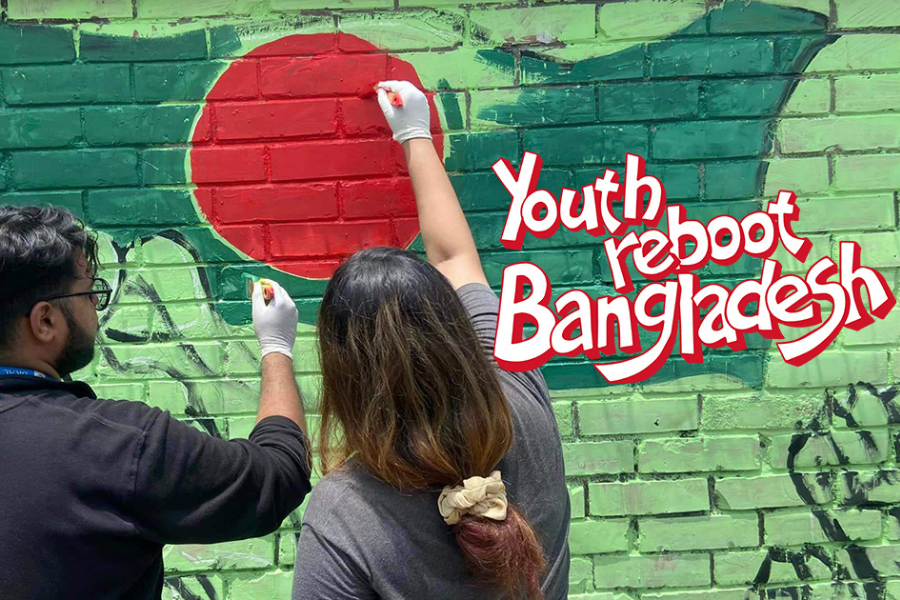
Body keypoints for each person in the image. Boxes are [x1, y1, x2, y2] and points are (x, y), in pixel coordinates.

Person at [292, 80, 570, 599]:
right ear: (455, 331)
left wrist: (273, 351)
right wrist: (416, 133)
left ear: (346, 379)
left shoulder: (345, 512)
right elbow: (456, 260)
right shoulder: (518, 389)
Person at [0, 206, 311, 599]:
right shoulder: (119, 447)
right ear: (44, 321)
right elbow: (278, 474)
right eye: (90, 291)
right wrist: (276, 345)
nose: (97, 305)